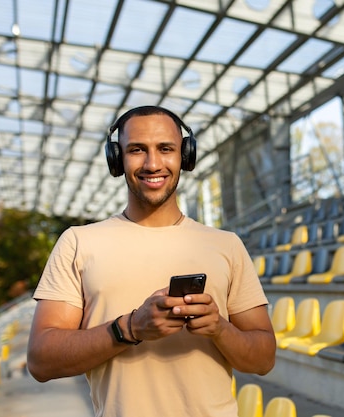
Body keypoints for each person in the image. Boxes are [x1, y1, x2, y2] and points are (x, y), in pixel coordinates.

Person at [27, 105, 276, 417]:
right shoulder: (78, 242)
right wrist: (130, 327)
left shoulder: (227, 245)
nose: (153, 163)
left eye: (166, 149)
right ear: (116, 159)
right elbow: (40, 360)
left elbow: (264, 359)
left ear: (185, 156)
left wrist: (219, 329)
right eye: (137, 150)